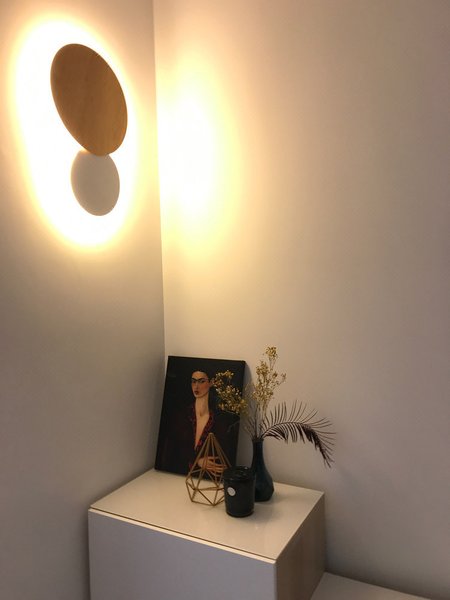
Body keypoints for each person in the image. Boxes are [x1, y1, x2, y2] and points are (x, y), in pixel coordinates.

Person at [155, 368, 239, 475]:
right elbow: (171, 450)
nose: (196, 386)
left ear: (211, 382)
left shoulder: (218, 421)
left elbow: (223, 454)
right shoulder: (181, 415)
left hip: (206, 478)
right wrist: (198, 461)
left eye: (201, 381)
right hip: (176, 474)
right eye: (193, 381)